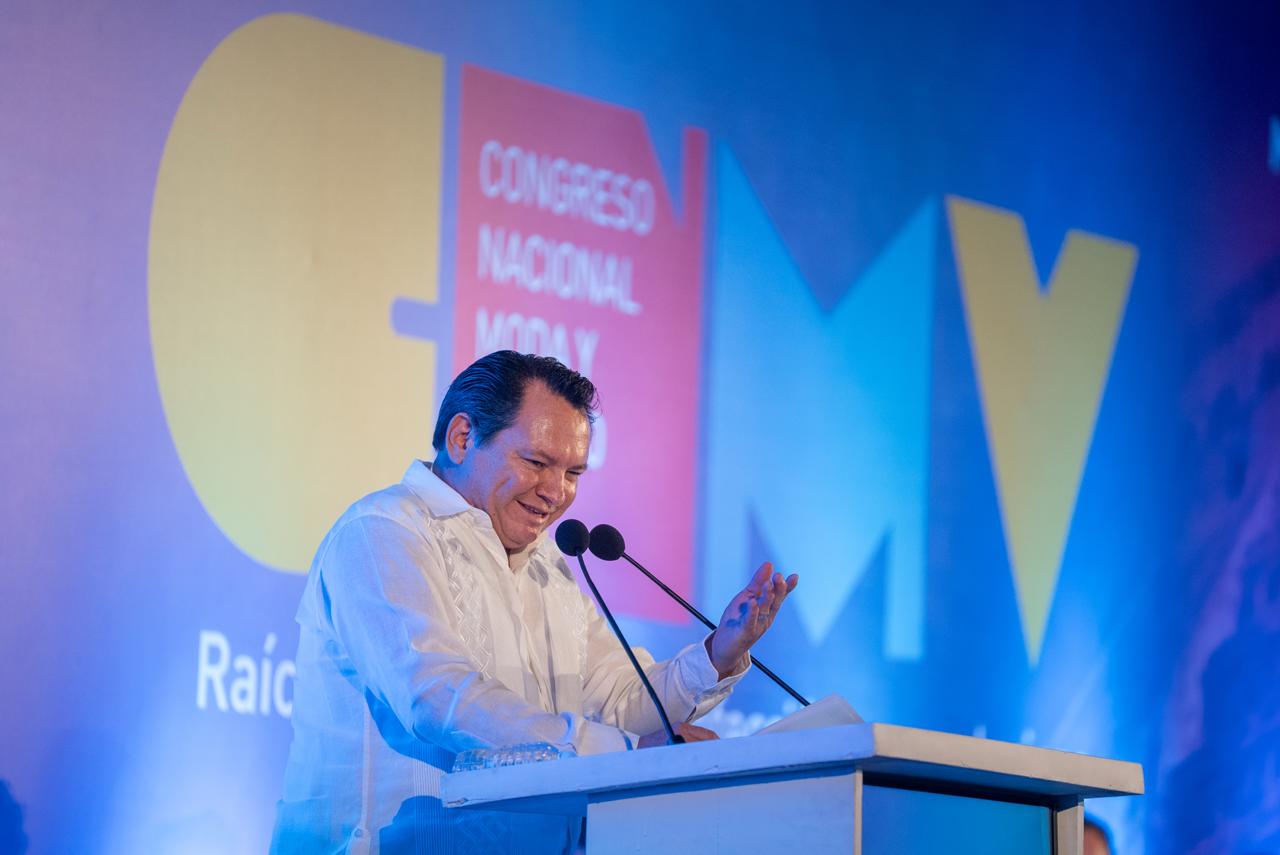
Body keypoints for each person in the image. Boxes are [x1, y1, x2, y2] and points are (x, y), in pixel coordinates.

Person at [271, 351, 798, 854]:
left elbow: (620, 702)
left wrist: (719, 653)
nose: (556, 492)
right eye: (537, 462)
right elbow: (435, 696)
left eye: (573, 473)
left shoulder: (546, 564)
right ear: (462, 438)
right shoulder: (383, 531)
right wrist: (620, 753)